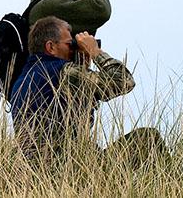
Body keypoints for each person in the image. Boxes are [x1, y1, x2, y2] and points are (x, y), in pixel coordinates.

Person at [11, 16, 168, 170]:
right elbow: (124, 82)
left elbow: (65, 122)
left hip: (35, 171)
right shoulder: (61, 71)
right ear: (51, 47)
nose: (73, 49)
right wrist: (95, 52)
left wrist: (83, 69)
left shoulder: (21, 81)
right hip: (69, 170)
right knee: (148, 138)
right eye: (69, 44)